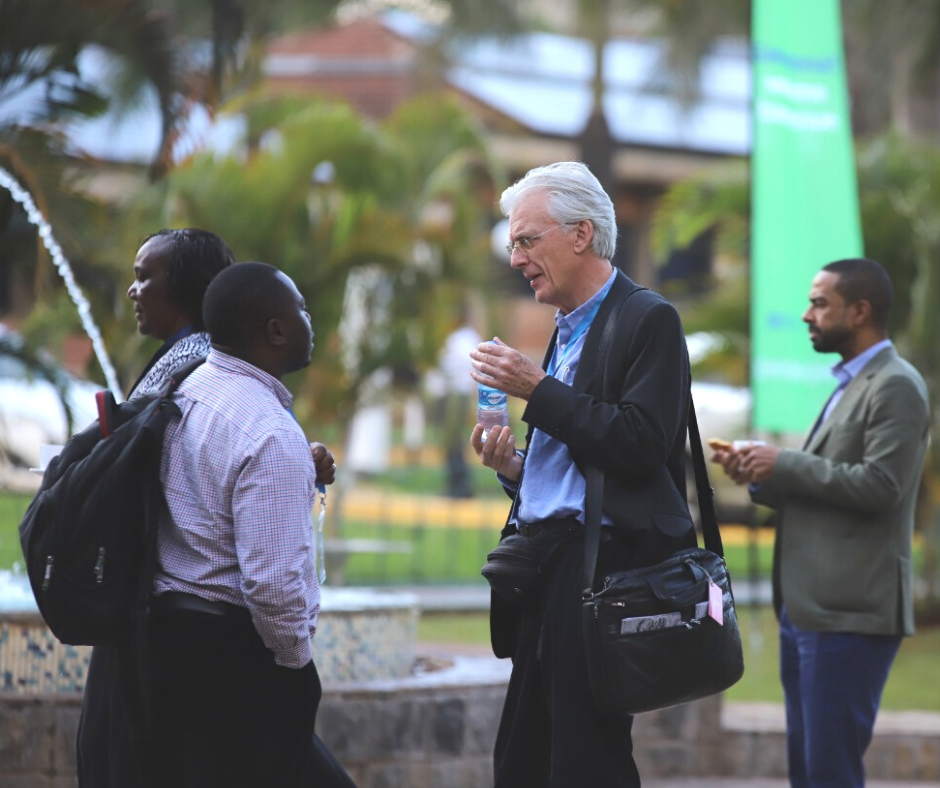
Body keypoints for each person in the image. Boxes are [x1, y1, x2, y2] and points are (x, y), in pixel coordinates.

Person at [469, 161, 697, 788]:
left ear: (581, 235)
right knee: (523, 758)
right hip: (547, 567)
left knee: (582, 759)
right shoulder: (568, 325)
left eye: (525, 239)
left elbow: (641, 444)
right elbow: (578, 463)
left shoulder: (647, 318)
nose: (515, 258)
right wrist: (514, 466)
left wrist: (535, 390)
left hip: (599, 571)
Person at [711, 258, 929, 788]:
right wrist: (763, 476)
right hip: (809, 607)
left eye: (820, 303)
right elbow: (830, 487)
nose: (807, 315)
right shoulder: (849, 384)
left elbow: (882, 487)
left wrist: (784, 463)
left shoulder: (895, 385)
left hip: (848, 613)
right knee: (808, 770)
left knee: (830, 770)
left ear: (860, 311)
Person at [147, 262, 353, 788]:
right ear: (276, 331)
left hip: (169, 640)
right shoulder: (267, 430)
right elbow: (272, 586)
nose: (311, 320)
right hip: (236, 661)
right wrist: (294, 665)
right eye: (301, 310)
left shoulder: (191, 387)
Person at [77, 227, 236, 787]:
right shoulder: (185, 361)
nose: (133, 290)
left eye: (146, 276)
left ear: (187, 288)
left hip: (163, 616)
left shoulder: (195, 366)